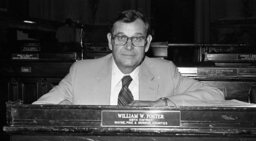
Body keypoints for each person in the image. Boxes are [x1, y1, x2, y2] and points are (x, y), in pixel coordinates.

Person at [33, 9, 224, 107]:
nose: (129, 46)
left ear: (147, 43)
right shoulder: (81, 72)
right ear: (110, 41)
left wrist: (163, 103)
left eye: (137, 38)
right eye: (122, 37)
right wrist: (64, 112)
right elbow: (37, 110)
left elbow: (215, 96)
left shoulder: (165, 72)